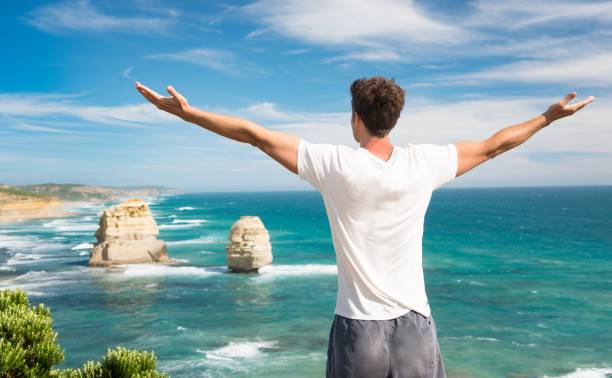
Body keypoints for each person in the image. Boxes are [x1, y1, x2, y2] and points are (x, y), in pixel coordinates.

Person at [135, 77, 594, 377]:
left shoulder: (334, 164)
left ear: (356, 117)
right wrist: (548, 118)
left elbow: (254, 134)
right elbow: (496, 145)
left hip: (359, 329)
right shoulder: (426, 163)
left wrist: (185, 113)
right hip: (416, 323)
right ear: (394, 119)